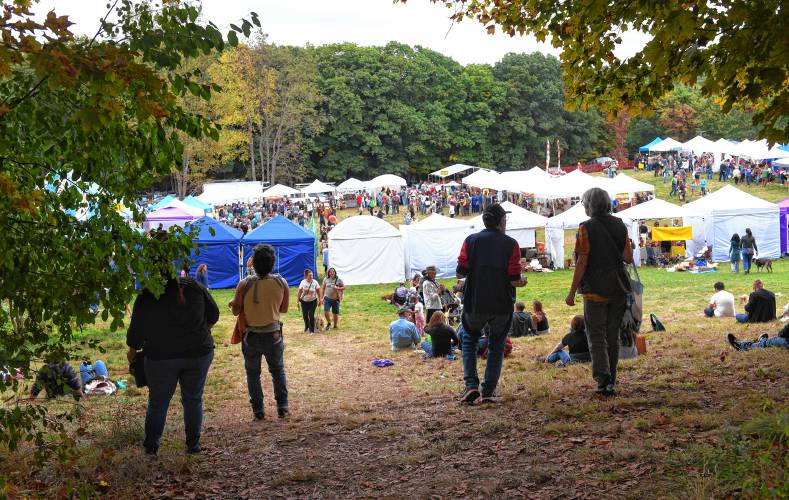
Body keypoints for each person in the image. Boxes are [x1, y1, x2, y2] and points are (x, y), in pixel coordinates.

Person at [126, 268, 219, 454]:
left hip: (161, 357)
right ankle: (193, 445)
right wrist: (202, 331)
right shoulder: (193, 285)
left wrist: (133, 353)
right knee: (193, 399)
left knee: (158, 402)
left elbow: (135, 333)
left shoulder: (147, 294)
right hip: (198, 353)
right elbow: (214, 315)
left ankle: (151, 448)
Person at [565, 187, 633, 397]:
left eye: (585, 204)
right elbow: (628, 258)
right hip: (619, 288)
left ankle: (602, 380)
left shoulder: (586, 228)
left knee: (596, 336)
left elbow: (582, 262)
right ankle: (611, 379)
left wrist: (571, 292)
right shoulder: (620, 225)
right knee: (612, 336)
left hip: (595, 289)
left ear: (590, 206)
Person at [456, 203, 526, 404]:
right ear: (501, 221)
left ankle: (471, 386)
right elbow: (514, 279)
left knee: (469, 341)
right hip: (501, 303)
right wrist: (522, 281)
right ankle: (488, 390)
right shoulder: (511, 244)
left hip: (475, 301)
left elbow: (461, 272)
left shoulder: (470, 241)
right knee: (496, 345)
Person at [230, 244, 290, 420]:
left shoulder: (244, 284)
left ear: (253, 264)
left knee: (253, 374)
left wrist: (234, 304)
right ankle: (282, 407)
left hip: (252, 336)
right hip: (273, 334)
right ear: (272, 263)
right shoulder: (281, 282)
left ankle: (258, 411)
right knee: (278, 371)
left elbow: (235, 311)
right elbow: (284, 309)